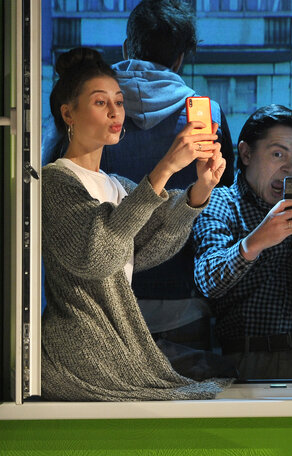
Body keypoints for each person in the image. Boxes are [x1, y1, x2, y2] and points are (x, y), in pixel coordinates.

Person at [41, 47, 228, 401]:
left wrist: (201, 188)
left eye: (119, 101)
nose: (115, 112)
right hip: (79, 349)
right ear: (68, 113)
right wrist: (166, 167)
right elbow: (99, 256)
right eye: (100, 102)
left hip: (113, 344)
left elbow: (155, 243)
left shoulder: (115, 185)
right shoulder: (55, 181)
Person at [98, 0, 235, 375]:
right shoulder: (206, 116)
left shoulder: (94, 112)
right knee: (190, 402)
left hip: (106, 300)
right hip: (183, 300)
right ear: (180, 58)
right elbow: (223, 197)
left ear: (127, 48)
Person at [192, 105, 292, 380]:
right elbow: (207, 281)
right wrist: (254, 242)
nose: (290, 168)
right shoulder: (220, 203)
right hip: (246, 358)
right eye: (278, 154)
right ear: (246, 153)